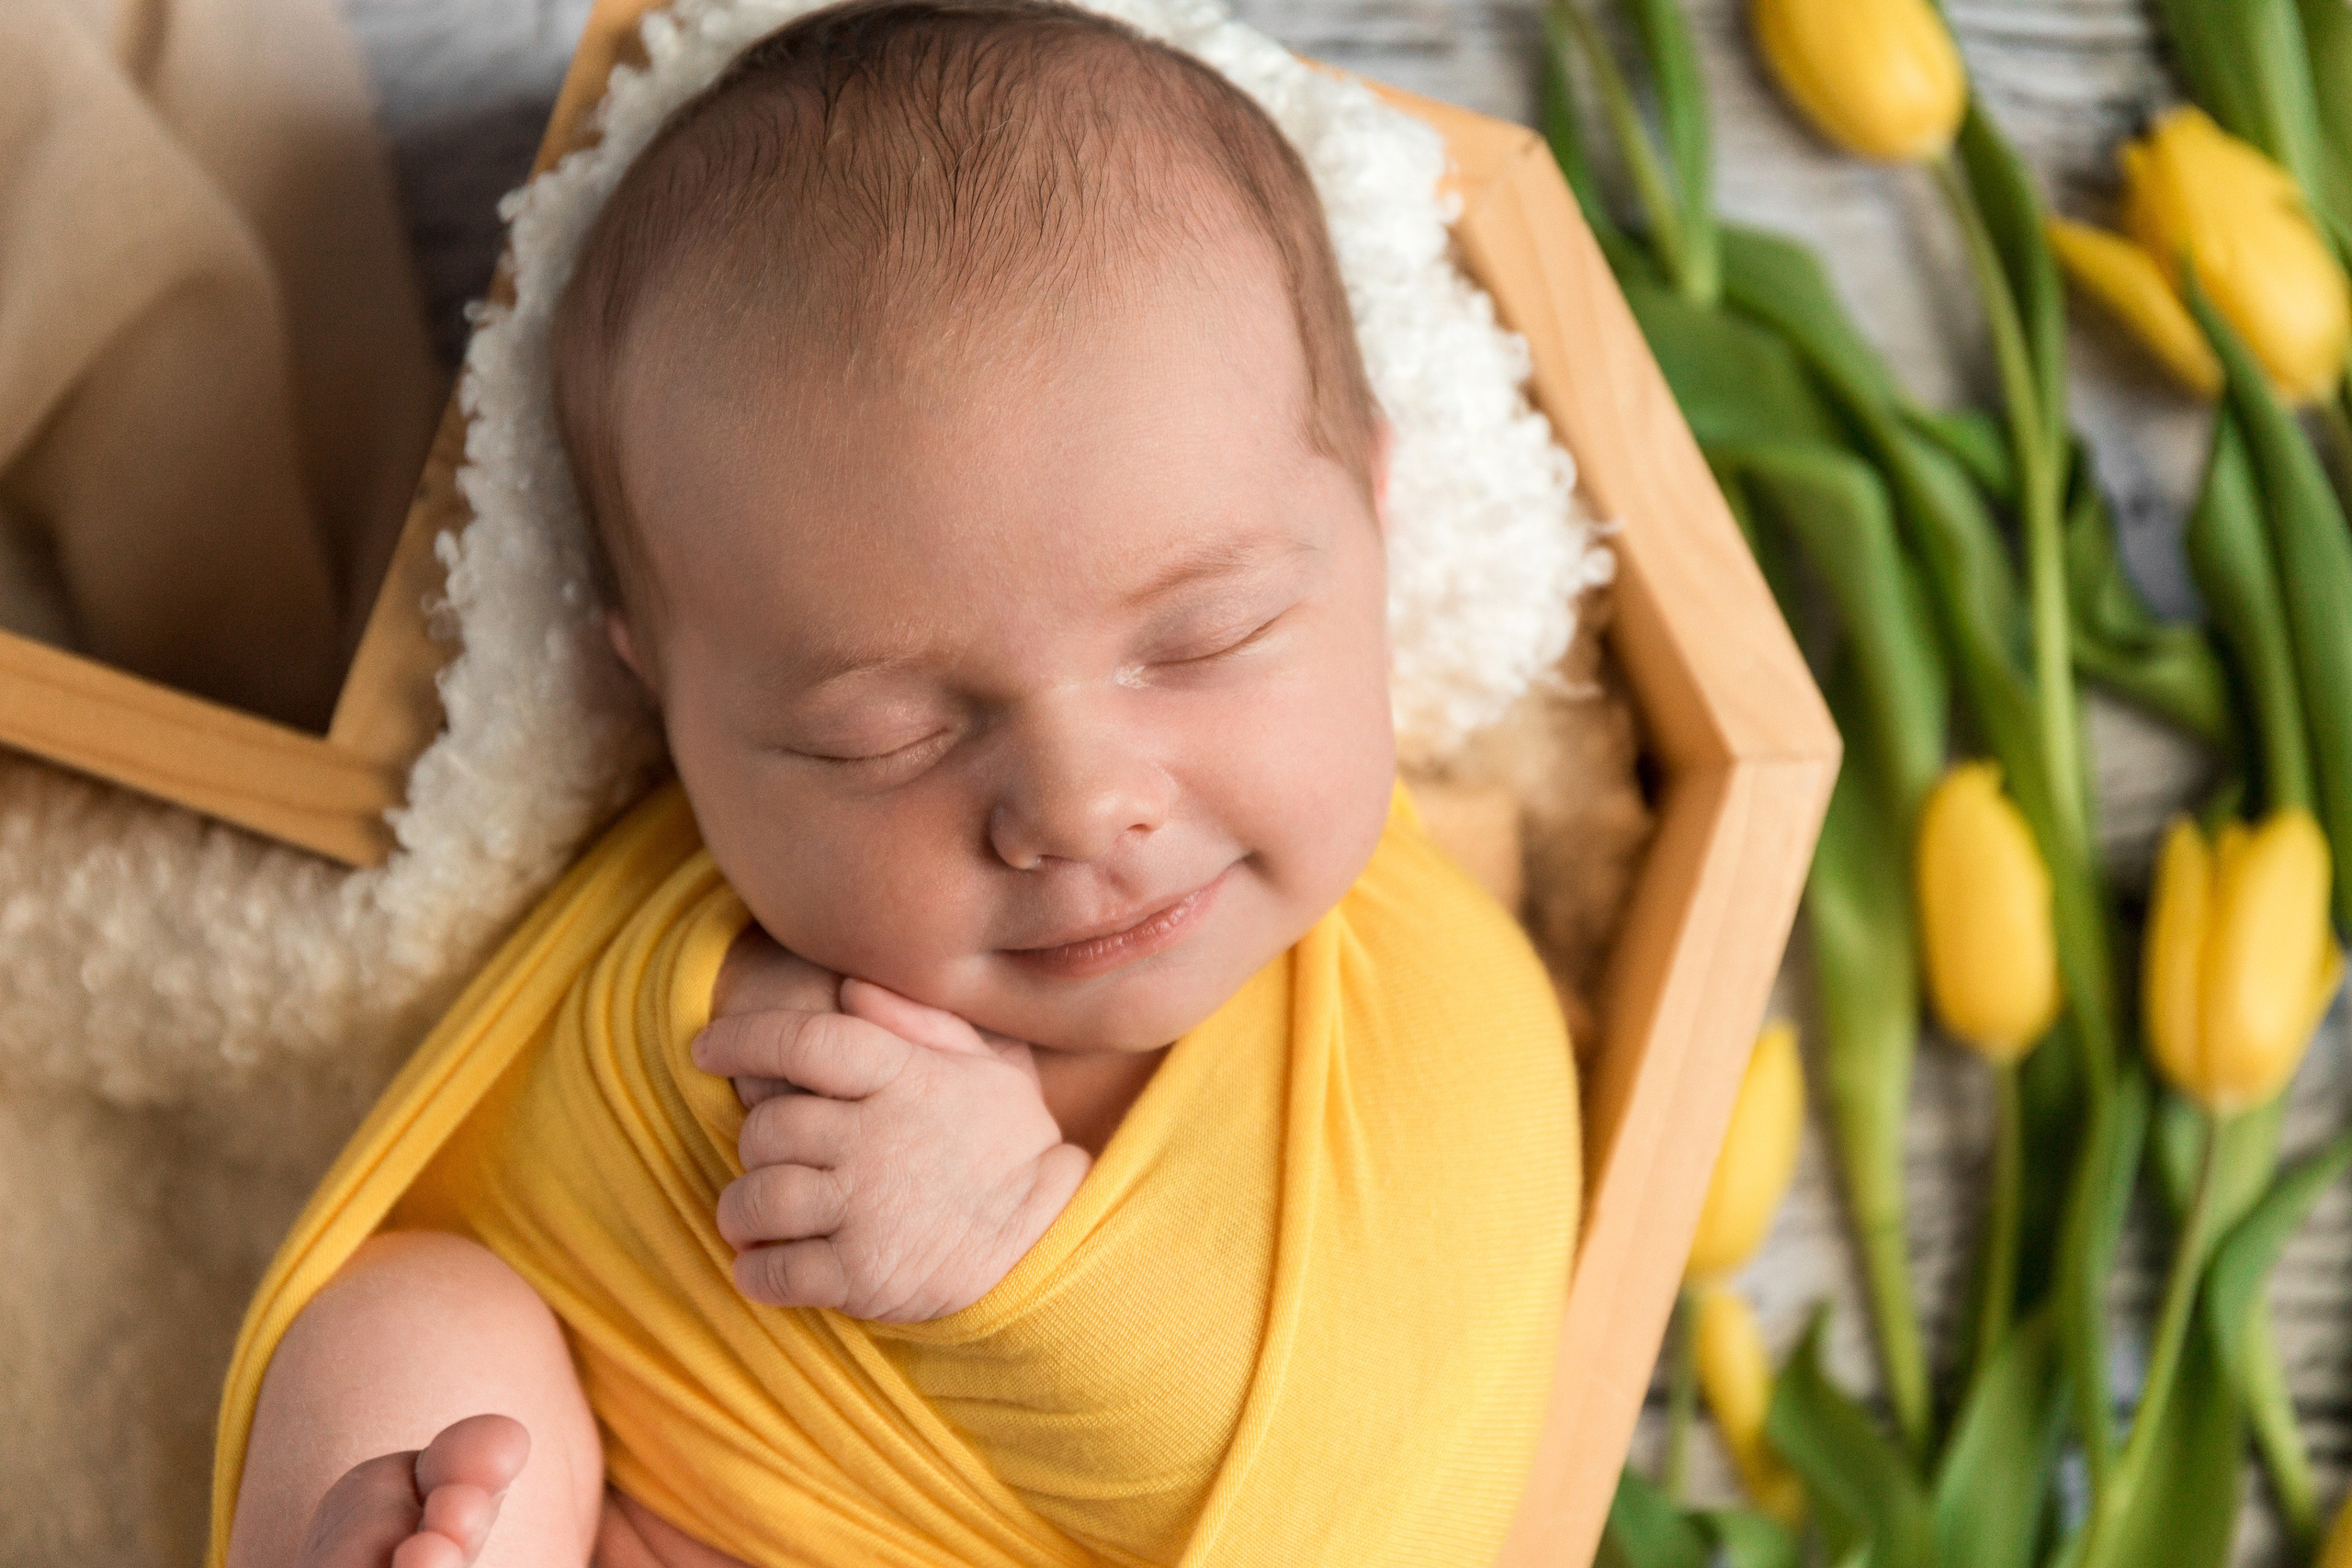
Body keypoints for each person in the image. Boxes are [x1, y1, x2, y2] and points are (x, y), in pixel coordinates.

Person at [214, 4, 1578, 1563]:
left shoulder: (1438, 1023)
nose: (1079, 805)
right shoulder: (672, 920)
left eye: (1206, 639)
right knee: (410, 1328)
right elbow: (523, 1198)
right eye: (882, 738)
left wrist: (1015, 1259)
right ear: (667, 704)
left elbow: (1364, 1490)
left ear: (1378, 527)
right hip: (598, 1481)